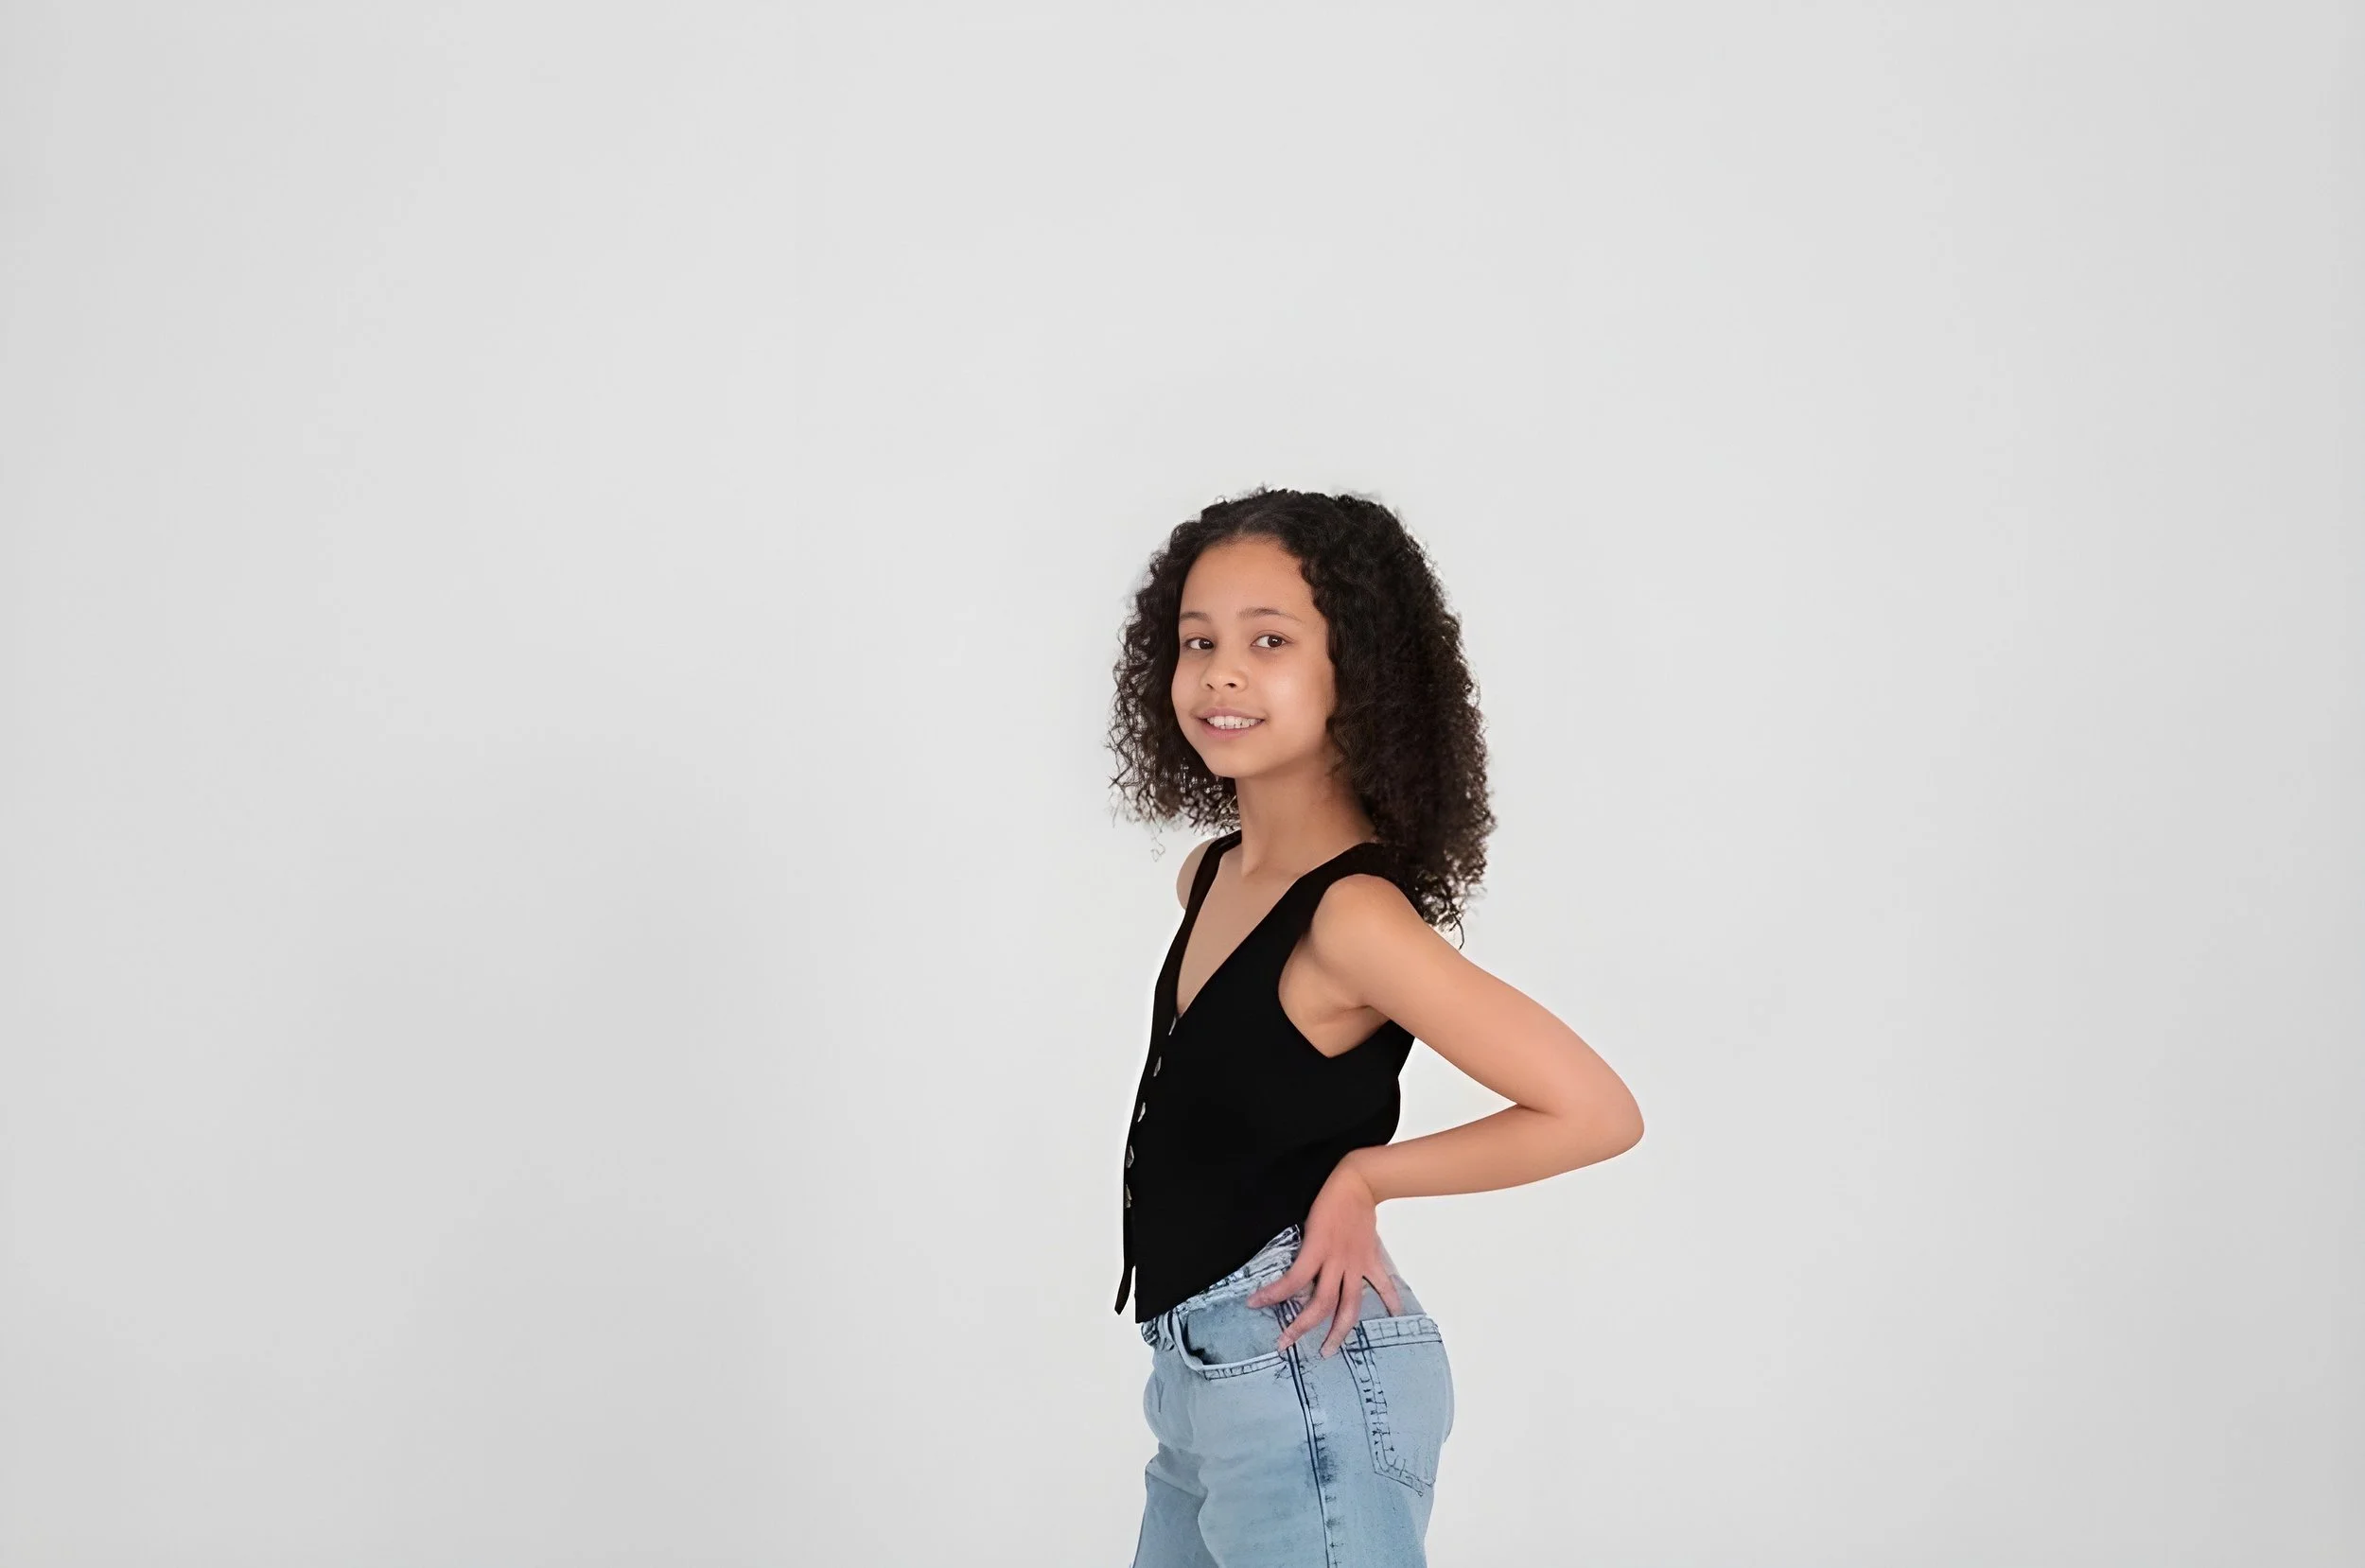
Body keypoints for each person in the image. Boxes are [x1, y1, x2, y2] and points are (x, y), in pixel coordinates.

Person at [1104, 488, 1645, 1567]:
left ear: (1359, 674)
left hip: (1296, 1374)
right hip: (1202, 1379)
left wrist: (1367, 1176)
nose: (1219, 670)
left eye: (1269, 640)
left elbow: (1593, 1109)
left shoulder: (1352, 916)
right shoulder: (1208, 876)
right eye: (1197, 640)